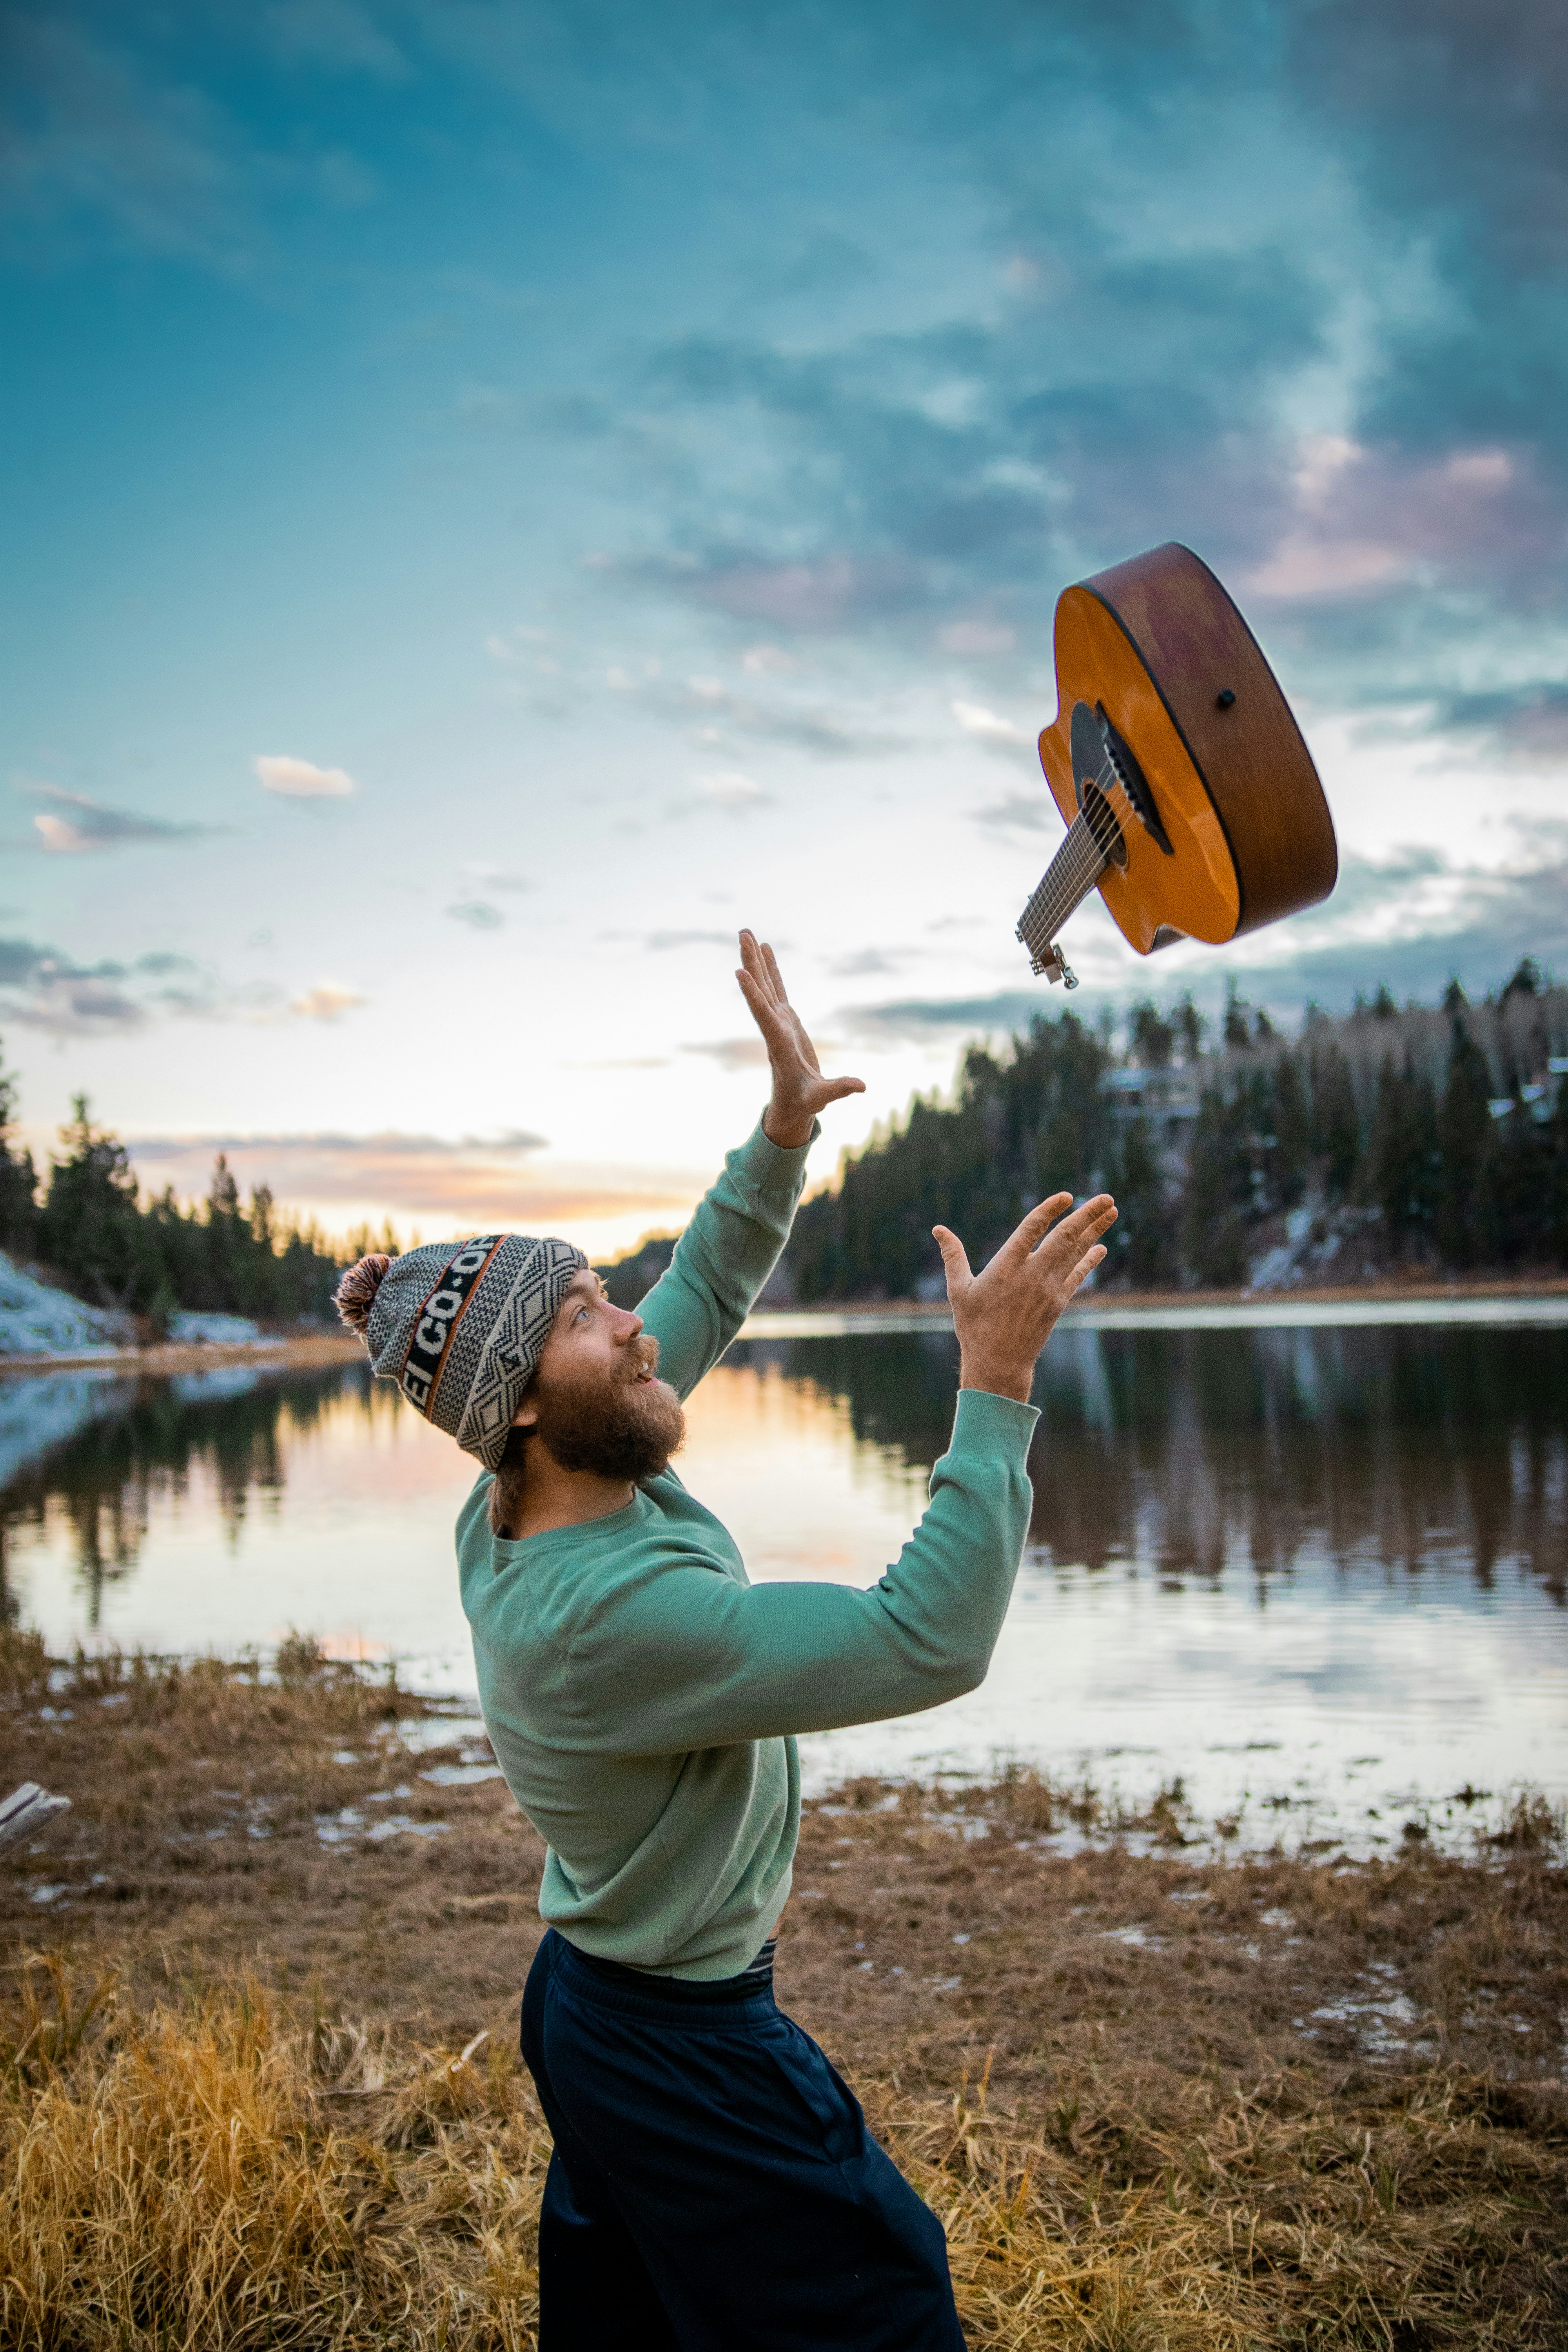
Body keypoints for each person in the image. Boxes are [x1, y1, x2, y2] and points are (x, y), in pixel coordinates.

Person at [335, 930, 1116, 2352]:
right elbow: (925, 1638)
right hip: (680, 2047)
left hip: (593, 2007)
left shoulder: (551, 1465)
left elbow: (694, 1291)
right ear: (518, 1401)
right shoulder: (605, 1621)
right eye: (584, 1318)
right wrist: (995, 1383)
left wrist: (778, 1134)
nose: (631, 1327)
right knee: (881, 2307)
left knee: (635, 2323)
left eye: (599, 1292)